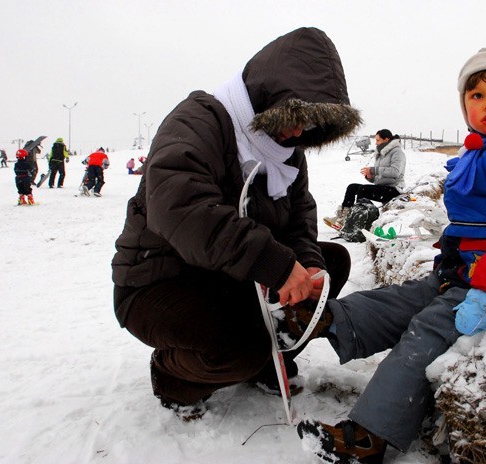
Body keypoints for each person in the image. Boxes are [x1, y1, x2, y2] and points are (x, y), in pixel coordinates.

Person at [295, 47, 486, 464]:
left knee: (428, 329)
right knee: (403, 299)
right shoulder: (483, 151)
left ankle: (370, 436)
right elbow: (476, 224)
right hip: (472, 272)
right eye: (476, 96)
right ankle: (323, 321)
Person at [111, 27, 361, 419]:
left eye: (309, 123)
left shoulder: (287, 153)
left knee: (332, 264)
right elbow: (181, 207)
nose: (297, 132)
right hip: (159, 280)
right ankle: (173, 376)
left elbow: (299, 218)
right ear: (266, 98)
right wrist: (276, 265)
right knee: (239, 345)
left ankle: (267, 353)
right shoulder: (199, 121)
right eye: (293, 116)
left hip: (227, 275)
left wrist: (307, 262)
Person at [324, 129, 406, 230]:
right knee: (352, 187)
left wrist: (373, 170)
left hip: (393, 189)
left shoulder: (397, 153)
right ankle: (343, 217)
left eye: (378, 140)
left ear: (386, 139)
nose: (375, 143)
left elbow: (395, 172)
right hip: (382, 187)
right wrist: (370, 177)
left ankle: (357, 222)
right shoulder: (381, 153)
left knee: (363, 189)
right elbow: (380, 175)